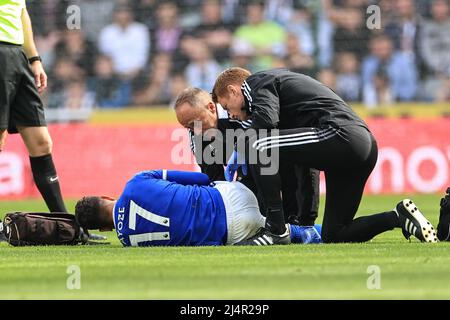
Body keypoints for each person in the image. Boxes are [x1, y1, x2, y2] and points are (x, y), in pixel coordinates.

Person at [210, 67, 438, 245]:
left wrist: (242, 144)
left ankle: (275, 231)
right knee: (335, 234)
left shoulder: (255, 82)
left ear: (233, 90)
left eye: (227, 105)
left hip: (340, 134)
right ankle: (397, 217)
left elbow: (266, 124)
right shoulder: (286, 105)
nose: (230, 114)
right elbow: (307, 163)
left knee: (258, 143)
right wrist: (306, 221)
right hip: (360, 148)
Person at [174, 87, 320, 227]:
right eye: (188, 127)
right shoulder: (196, 134)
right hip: (247, 174)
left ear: (211, 108)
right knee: (255, 219)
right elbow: (215, 178)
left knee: (290, 217)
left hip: (277, 162)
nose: (195, 131)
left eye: (195, 123)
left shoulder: (241, 108)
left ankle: (300, 224)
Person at [74, 170, 322, 247]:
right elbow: (201, 179)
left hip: (231, 234)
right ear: (106, 196)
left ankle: (308, 233)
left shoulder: (130, 242)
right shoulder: (136, 182)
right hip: (232, 197)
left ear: (105, 228)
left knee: (279, 230)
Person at [0, 0, 66, 212]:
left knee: (41, 142)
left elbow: (22, 13)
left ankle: (65, 224)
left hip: (17, 57)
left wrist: (34, 58)